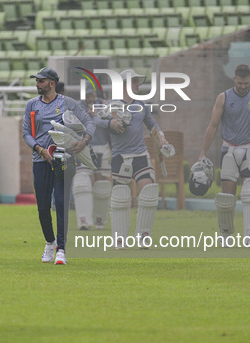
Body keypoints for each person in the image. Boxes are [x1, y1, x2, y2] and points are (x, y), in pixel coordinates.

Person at [22, 67, 95, 265]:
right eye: (36, 81)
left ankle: (61, 249)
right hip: (40, 160)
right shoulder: (31, 105)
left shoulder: (68, 103)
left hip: (64, 160)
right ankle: (50, 242)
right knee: (43, 207)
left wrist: (84, 141)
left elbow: (89, 122)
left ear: (51, 84)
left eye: (41, 81)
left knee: (61, 204)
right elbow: (26, 134)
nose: (37, 84)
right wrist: (40, 150)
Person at [198, 64, 250, 247]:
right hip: (229, 148)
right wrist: (203, 151)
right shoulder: (223, 98)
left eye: (246, 83)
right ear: (234, 79)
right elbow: (213, 126)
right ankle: (225, 234)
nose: (243, 86)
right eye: (240, 83)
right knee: (227, 196)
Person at [103, 69, 171, 250]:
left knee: (148, 192)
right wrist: (110, 123)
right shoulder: (111, 105)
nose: (138, 85)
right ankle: (119, 239)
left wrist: (162, 139)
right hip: (120, 156)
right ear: (124, 85)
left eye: (138, 82)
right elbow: (98, 122)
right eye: (134, 82)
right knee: (120, 197)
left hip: (141, 155)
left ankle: (143, 235)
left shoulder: (142, 105)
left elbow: (153, 126)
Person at [72, 88, 112, 230]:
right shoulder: (76, 107)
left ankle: (100, 220)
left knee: (102, 184)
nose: (91, 99)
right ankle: (84, 221)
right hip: (84, 148)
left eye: (93, 95)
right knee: (82, 182)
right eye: (88, 96)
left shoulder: (105, 105)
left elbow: (112, 122)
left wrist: (98, 116)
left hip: (102, 146)